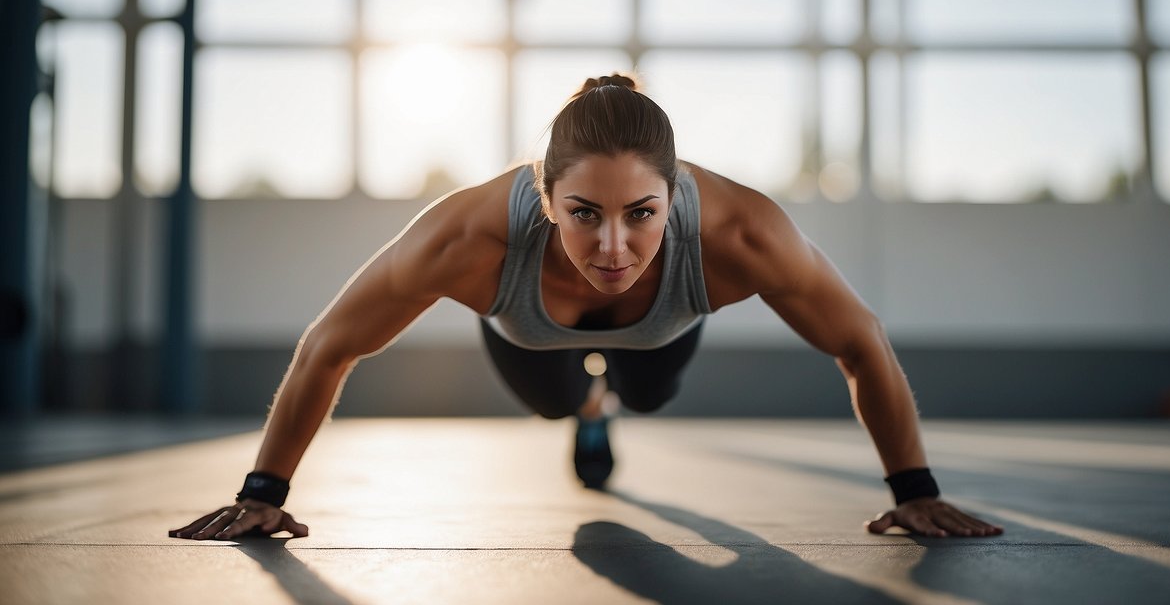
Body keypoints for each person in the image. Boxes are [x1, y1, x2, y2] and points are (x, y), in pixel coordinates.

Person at [169, 74, 1003, 542]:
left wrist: (913, 487)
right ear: (544, 195)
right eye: (581, 215)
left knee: (648, 391)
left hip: (662, 332)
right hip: (525, 332)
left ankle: (611, 400)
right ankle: (584, 406)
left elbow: (859, 341)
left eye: (640, 214)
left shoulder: (743, 235)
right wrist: (264, 488)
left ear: (672, 194)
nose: (611, 248)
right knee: (553, 401)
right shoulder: (466, 240)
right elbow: (328, 345)